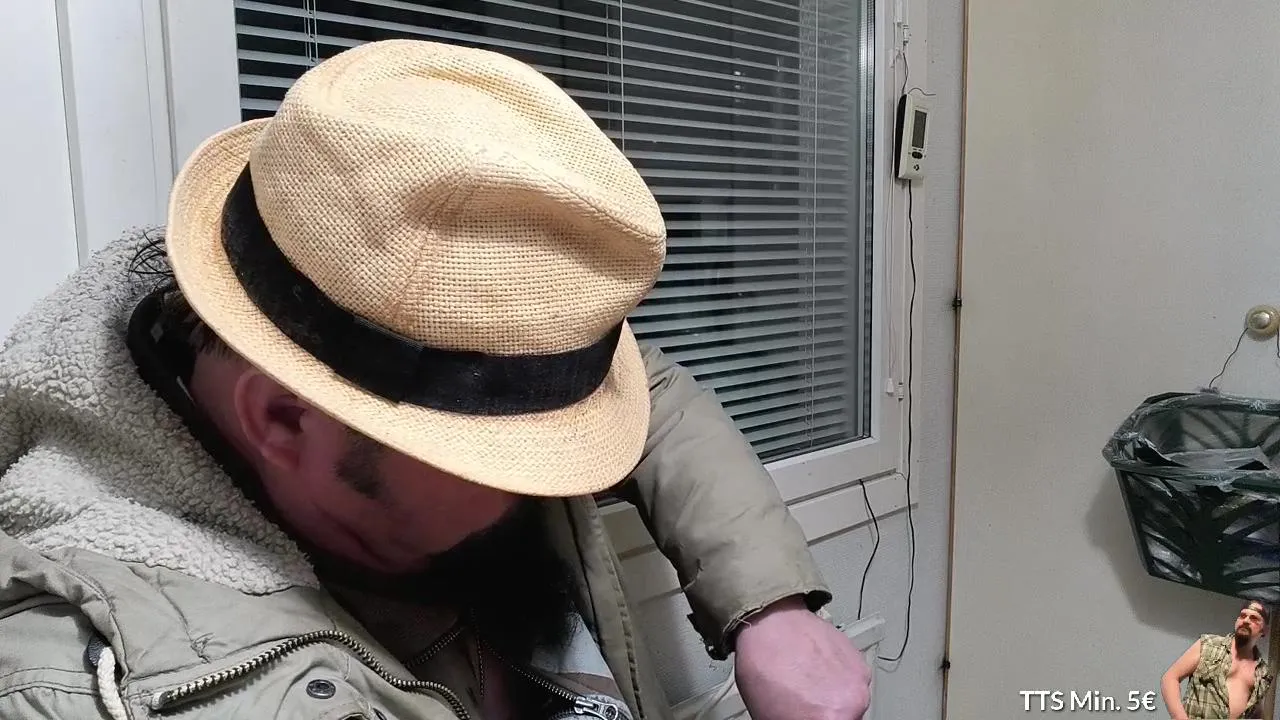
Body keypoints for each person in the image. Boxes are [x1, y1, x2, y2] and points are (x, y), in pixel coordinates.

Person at [0, 39, 872, 719]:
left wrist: (770, 606)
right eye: (504, 462)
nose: (561, 483)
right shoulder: (101, 681)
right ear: (285, 421)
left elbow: (648, 394)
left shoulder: (412, 318)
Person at [1161, 600, 1273, 719]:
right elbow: (1170, 678)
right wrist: (1180, 717)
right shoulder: (1208, 644)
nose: (1246, 620)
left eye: (1254, 618)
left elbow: (1255, 710)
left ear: (1264, 630)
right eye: (1242, 616)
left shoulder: (1262, 672)